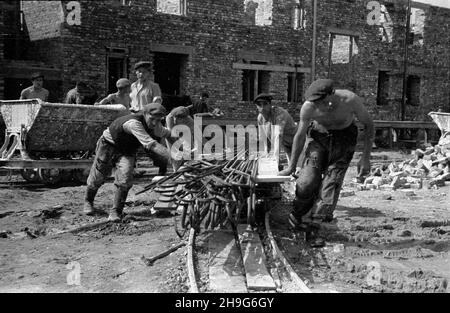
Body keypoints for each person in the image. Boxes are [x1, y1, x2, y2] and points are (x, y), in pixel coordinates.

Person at [279, 79, 374, 247]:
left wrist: (365, 157)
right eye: (315, 102)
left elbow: (369, 124)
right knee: (307, 181)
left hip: (344, 141)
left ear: (331, 95)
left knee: (329, 186)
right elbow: (300, 135)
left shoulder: (350, 100)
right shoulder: (309, 107)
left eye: (321, 102)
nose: (318, 106)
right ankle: (298, 215)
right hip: (319, 139)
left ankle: (314, 227)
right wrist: (291, 166)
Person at [82, 103, 174, 222]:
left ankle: (116, 211)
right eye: (152, 119)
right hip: (109, 145)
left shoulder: (155, 125)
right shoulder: (134, 123)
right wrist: (175, 157)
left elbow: (168, 134)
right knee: (98, 175)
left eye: (158, 120)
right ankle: (88, 201)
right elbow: (152, 145)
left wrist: (183, 146)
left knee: (125, 179)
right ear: (145, 114)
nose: (155, 123)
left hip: (127, 150)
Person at [255, 93, 298, 161]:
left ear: (270, 105)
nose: (262, 108)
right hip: (286, 144)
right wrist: (266, 152)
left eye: (265, 104)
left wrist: (275, 157)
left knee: (299, 168)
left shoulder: (279, 113)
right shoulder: (260, 118)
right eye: (259, 105)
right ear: (256, 106)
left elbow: (278, 135)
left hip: (298, 142)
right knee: (291, 166)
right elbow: (262, 137)